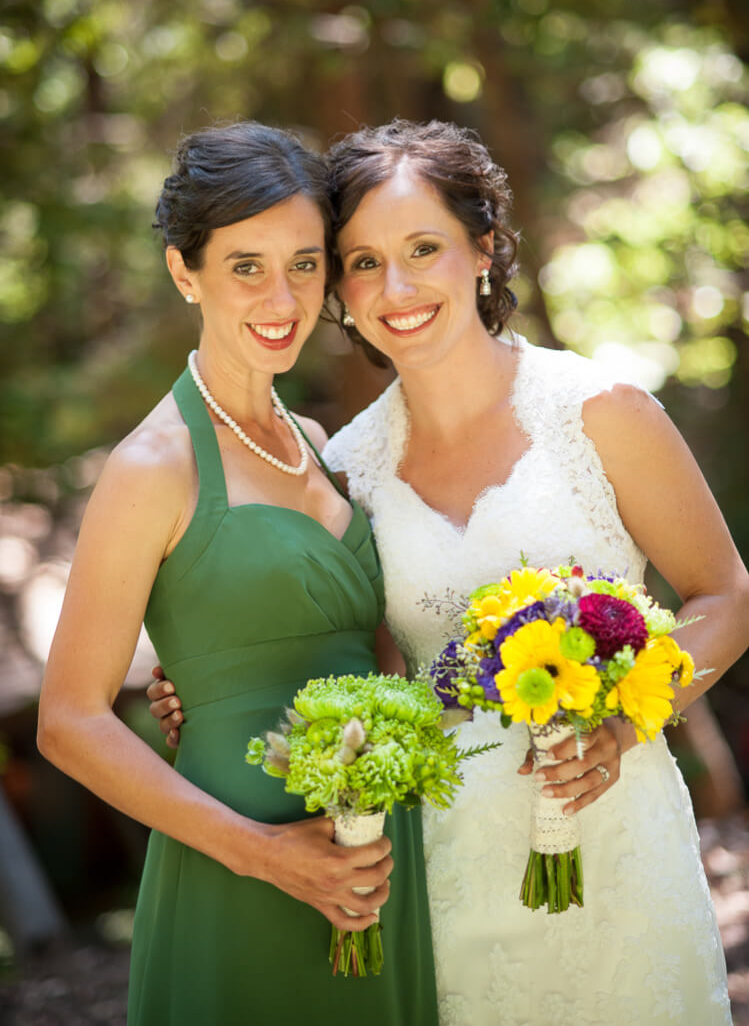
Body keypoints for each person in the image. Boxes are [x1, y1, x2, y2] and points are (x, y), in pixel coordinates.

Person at [149, 118, 749, 1026]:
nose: (395, 287)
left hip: (614, 837)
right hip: (440, 859)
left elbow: (726, 595)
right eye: (360, 262)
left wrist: (625, 726)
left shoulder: (600, 411)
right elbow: (353, 656)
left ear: (483, 247)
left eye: (422, 248)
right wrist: (208, 681)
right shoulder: (345, 469)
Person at [37, 122, 439, 1026]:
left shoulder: (320, 444)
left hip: (375, 851)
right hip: (240, 858)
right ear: (186, 271)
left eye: (304, 263)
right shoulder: (154, 466)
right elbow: (68, 721)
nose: (283, 297)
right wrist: (265, 852)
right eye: (245, 265)